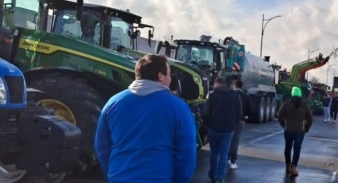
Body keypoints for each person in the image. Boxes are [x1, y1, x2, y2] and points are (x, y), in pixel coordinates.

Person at [94, 54, 196, 183]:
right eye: (169, 74)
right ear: (160, 76)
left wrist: (114, 172)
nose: (170, 78)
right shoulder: (179, 108)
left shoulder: (112, 103)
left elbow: (101, 146)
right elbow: (187, 154)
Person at [203, 77, 242, 183]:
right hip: (229, 129)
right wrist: (235, 124)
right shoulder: (235, 95)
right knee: (224, 153)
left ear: (217, 84)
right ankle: (220, 178)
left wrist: (206, 125)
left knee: (214, 152)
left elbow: (206, 113)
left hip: (214, 128)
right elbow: (239, 112)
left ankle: (212, 174)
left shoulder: (212, 95)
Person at [277, 86, 313, 177]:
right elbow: (310, 118)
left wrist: (283, 124)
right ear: (300, 94)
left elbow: (279, 115)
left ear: (292, 94)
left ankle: (288, 165)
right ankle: (294, 167)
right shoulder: (305, 104)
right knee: (297, 149)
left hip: (288, 129)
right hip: (300, 131)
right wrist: (307, 128)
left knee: (287, 148)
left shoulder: (286, 103)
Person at [228, 79, 250, 170]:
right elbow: (250, 109)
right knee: (235, 141)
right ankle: (233, 161)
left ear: (234, 85)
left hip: (228, 120)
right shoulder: (245, 96)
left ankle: (226, 158)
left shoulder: (230, 95)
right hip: (239, 121)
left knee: (227, 139)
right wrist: (245, 118)